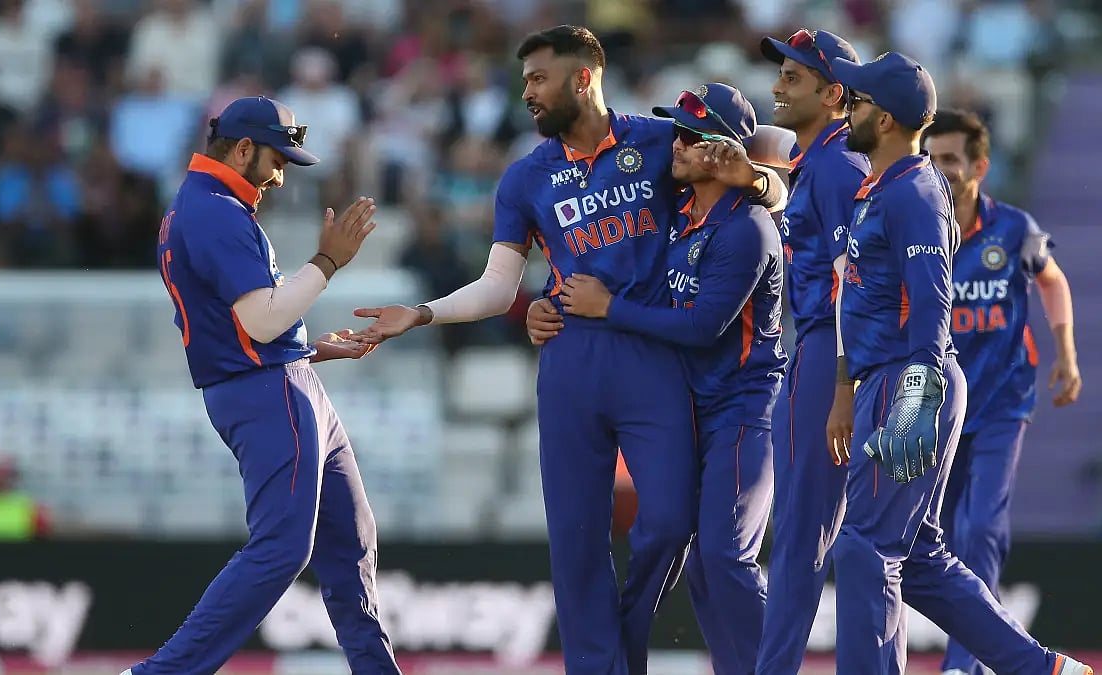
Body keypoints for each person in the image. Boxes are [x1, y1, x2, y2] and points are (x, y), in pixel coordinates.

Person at [351, 25, 791, 675]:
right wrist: (421, 313)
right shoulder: (524, 178)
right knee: (577, 541)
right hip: (570, 357)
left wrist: (756, 180)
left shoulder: (659, 140)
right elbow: (499, 286)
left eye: (538, 78)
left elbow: (773, 178)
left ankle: (627, 644)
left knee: (670, 522)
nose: (526, 92)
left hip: (652, 357)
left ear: (583, 78)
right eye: (524, 80)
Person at [829, 52, 1093, 675]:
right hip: (894, 377)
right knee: (917, 557)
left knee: (864, 544)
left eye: (858, 103)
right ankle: (1042, 669)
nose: (848, 112)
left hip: (908, 377)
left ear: (885, 119)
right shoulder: (886, 188)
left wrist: (916, 393)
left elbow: (931, 302)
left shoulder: (915, 193)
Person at [124, 96, 400, 675]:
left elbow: (243, 326)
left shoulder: (205, 205)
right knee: (282, 548)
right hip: (267, 393)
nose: (280, 177)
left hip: (281, 380)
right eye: (277, 160)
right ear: (243, 148)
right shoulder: (215, 212)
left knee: (351, 542)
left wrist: (307, 349)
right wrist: (328, 261)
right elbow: (261, 322)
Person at [528, 82, 786, 675]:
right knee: (695, 555)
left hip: (742, 407)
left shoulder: (747, 229)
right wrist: (550, 300)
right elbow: (619, 261)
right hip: (688, 402)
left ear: (723, 151)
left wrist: (608, 308)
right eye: (678, 132)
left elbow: (701, 328)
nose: (677, 143)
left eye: (692, 137)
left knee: (724, 553)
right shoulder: (679, 209)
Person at [924, 108, 1082, 675]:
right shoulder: (915, 227)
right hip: (937, 408)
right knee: (935, 536)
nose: (941, 171)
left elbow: (1052, 279)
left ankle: (962, 665)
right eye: (931, 160)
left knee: (980, 529)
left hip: (1002, 401)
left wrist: (1065, 352)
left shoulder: (1014, 228)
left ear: (979, 167)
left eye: (951, 160)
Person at [751, 29, 873, 675]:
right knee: (858, 540)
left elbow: (855, 283)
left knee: (802, 533)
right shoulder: (820, 158)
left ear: (832, 94)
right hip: (825, 348)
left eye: (792, 77)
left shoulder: (836, 166)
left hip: (832, 350)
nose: (777, 86)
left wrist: (843, 383)